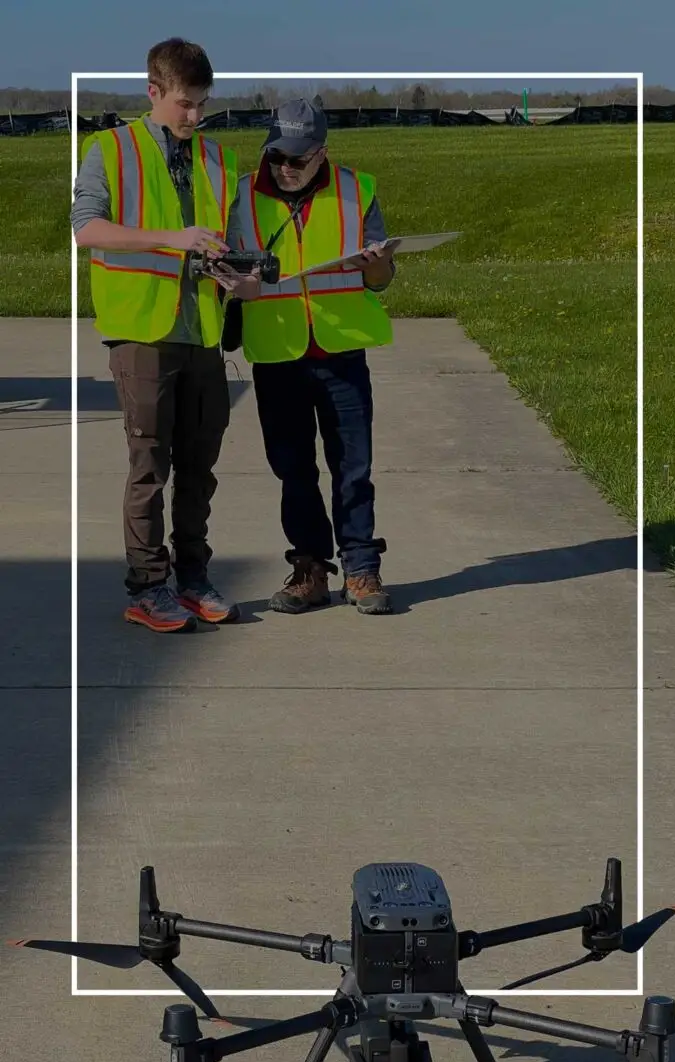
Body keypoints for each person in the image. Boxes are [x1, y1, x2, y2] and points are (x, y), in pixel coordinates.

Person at [71, 38, 259, 633]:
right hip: (141, 333)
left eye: (202, 104)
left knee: (200, 468)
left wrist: (239, 276)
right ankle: (147, 586)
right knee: (149, 467)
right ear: (153, 91)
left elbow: (223, 235)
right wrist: (170, 238)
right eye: (184, 103)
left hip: (203, 332)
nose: (194, 116)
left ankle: (194, 577)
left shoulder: (218, 158)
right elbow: (87, 230)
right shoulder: (109, 149)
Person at [230, 98, 398, 616]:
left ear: (322, 153)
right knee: (292, 467)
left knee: (353, 466)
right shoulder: (242, 195)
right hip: (277, 352)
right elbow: (224, 267)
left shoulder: (357, 189)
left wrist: (375, 267)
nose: (285, 167)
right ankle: (309, 569)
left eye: (298, 158)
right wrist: (237, 286)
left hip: (341, 349)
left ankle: (361, 568)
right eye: (277, 154)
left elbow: (382, 279)